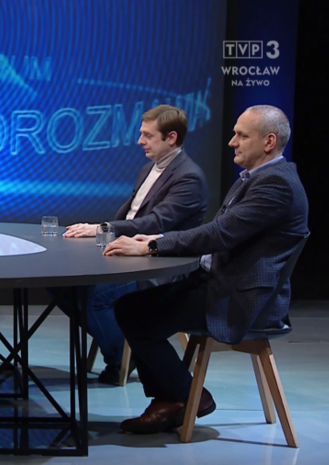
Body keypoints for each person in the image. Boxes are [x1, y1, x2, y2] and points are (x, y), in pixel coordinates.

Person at [104, 105, 308, 434]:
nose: (231, 142)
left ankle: (184, 396)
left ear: (268, 142)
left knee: (134, 313)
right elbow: (220, 230)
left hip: (240, 297)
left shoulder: (276, 184)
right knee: (132, 307)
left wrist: (152, 246)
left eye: (241, 135)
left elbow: (220, 233)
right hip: (218, 281)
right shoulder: (258, 178)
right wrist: (158, 238)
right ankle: (172, 398)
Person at [52, 105, 209, 385]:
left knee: (97, 296)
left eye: (148, 135)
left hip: (159, 264)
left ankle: (122, 356)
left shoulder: (189, 177)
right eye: (141, 134)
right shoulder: (148, 169)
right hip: (129, 254)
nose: (139, 141)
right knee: (59, 284)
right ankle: (120, 345)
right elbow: (131, 217)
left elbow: (156, 223)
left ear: (171, 138)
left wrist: (103, 228)